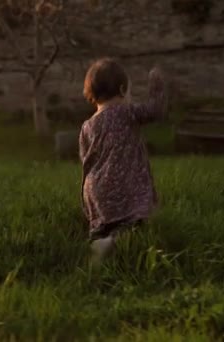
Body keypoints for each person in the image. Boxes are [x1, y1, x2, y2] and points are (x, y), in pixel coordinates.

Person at [79, 58, 168, 263]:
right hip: (125, 187)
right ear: (121, 90)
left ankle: (98, 240)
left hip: (95, 191)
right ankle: (113, 242)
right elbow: (155, 111)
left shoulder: (86, 126)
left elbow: (86, 158)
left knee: (103, 224)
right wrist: (157, 84)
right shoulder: (127, 113)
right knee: (134, 224)